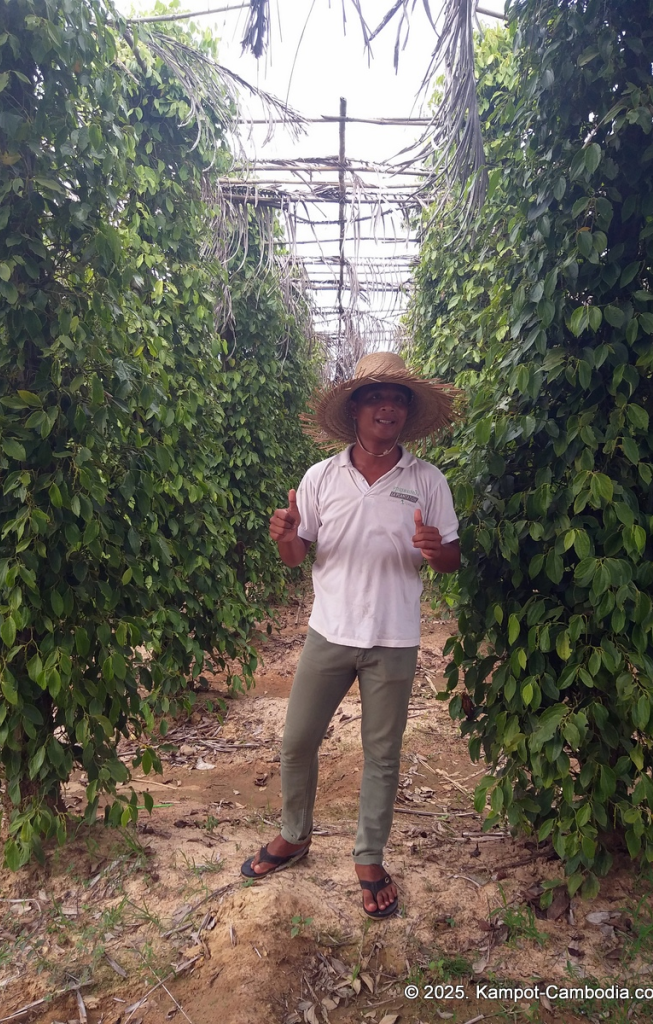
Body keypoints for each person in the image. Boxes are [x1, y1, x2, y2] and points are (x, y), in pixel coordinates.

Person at [241, 351, 460, 919]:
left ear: (407, 413)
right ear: (356, 408)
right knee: (297, 742)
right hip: (330, 632)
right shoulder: (320, 478)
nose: (388, 405)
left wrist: (439, 551)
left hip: (394, 636)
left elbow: (450, 558)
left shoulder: (428, 480)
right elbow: (296, 556)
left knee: (381, 754)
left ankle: (369, 856)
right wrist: (284, 535)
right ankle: (294, 834)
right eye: (377, 396)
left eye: (399, 398)